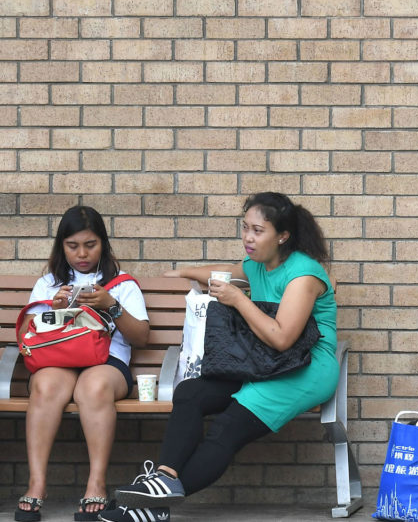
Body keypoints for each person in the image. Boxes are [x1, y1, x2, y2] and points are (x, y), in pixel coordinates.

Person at [98, 192, 338, 522]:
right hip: (265, 362)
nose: (248, 238)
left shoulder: (303, 275)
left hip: (305, 368)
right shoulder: (258, 264)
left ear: (282, 236)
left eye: (257, 230)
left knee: (227, 427)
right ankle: (165, 477)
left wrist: (239, 301)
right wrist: (184, 273)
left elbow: (283, 338)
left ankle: (152, 508)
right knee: (190, 392)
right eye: (244, 228)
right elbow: (228, 270)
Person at [15, 206, 150, 522]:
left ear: (102, 243)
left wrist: (111, 306)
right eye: (72, 246)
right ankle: (37, 483)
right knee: (46, 385)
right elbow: (25, 339)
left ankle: (96, 482)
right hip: (57, 362)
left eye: (90, 244)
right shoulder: (49, 283)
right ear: (61, 246)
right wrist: (53, 307)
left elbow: (141, 337)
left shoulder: (121, 284)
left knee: (93, 386)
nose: (82, 254)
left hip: (107, 363)